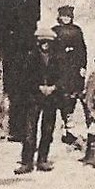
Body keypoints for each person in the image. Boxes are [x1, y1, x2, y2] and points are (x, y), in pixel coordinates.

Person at [15, 27, 62, 174]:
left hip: (51, 98)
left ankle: (42, 160)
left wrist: (55, 87)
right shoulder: (30, 57)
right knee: (30, 130)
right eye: (42, 42)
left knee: (47, 129)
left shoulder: (58, 57)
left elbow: (64, 76)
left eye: (48, 42)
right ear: (38, 42)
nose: (45, 45)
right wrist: (38, 87)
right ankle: (27, 162)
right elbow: (24, 78)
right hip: (34, 97)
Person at [50, 5, 88, 145]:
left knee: (72, 98)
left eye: (68, 16)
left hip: (73, 70)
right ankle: (60, 129)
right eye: (63, 16)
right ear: (59, 17)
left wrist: (82, 66)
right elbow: (51, 50)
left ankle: (69, 130)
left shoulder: (77, 31)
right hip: (60, 70)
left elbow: (82, 50)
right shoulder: (55, 31)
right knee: (61, 98)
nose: (66, 18)